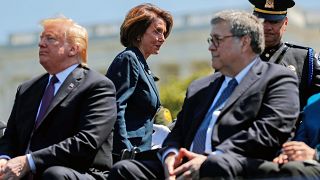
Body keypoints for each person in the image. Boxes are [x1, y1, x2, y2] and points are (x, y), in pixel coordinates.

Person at [108, 10, 300, 179]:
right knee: (126, 170)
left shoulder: (277, 78)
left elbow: (268, 133)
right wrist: (171, 155)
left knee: (216, 168)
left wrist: (210, 158)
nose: (210, 47)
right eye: (211, 40)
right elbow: (178, 132)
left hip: (231, 163)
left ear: (244, 42)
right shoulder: (201, 86)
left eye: (217, 40)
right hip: (185, 166)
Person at [0, 17, 117, 179]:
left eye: (50, 38)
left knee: (54, 175)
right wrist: (3, 158)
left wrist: (30, 161)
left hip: (78, 172)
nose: (41, 44)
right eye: (41, 39)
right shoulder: (27, 89)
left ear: (73, 49)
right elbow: (10, 137)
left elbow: (86, 142)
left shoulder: (98, 86)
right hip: (25, 172)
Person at [106, 3, 173, 162]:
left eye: (164, 33)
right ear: (138, 33)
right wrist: (125, 151)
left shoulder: (141, 64)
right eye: (157, 31)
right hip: (127, 155)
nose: (162, 38)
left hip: (142, 150)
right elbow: (115, 108)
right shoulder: (129, 59)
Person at [249, 0, 320, 110]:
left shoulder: (305, 59)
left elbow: (315, 107)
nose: (267, 27)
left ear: (285, 23)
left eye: (274, 22)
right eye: (262, 20)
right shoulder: (236, 57)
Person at [252, 93, 320, 179]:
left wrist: (316, 155)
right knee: (265, 169)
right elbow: (301, 138)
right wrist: (290, 154)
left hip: (313, 162)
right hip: (308, 163)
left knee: (293, 170)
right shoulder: (313, 101)